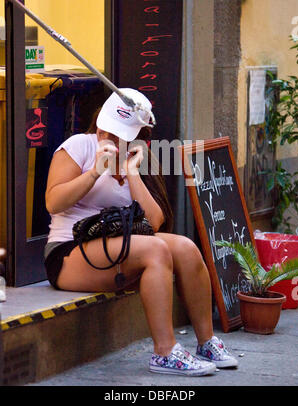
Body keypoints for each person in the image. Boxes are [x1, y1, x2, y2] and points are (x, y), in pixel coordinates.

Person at [44, 88, 238, 376]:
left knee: (184, 248)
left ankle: (206, 341)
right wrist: (95, 172)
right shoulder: (78, 147)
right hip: (70, 251)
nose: (112, 139)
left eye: (122, 135)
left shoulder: (139, 157)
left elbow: (154, 222)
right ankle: (165, 352)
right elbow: (53, 201)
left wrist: (132, 173)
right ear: (99, 124)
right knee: (155, 250)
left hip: (117, 243)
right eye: (107, 131)